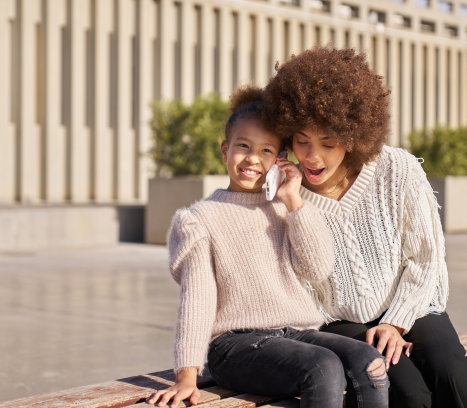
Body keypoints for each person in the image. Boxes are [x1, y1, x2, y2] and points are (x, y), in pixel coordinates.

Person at [263, 47, 467, 408]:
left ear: (352, 134)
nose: (313, 157)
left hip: (412, 302)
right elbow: (300, 288)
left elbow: (426, 258)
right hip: (339, 322)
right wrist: (290, 200)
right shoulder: (284, 196)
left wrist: (396, 321)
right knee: (410, 394)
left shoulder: (398, 170)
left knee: (452, 373)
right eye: (302, 140)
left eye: (328, 143)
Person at [147, 86, 389, 408]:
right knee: (324, 368)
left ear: (280, 160)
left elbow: (317, 268)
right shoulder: (198, 219)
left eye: (266, 151)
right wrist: (186, 376)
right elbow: (198, 298)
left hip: (296, 334)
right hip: (235, 345)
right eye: (243, 146)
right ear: (225, 150)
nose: (252, 158)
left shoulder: (285, 208)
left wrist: (293, 199)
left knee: (368, 361)